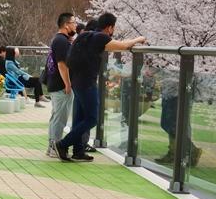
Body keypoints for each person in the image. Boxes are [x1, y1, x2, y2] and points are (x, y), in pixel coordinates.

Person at [55, 12, 146, 162]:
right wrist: (138, 39)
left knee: (80, 118)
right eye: (113, 28)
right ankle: (63, 144)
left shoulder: (86, 35)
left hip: (77, 81)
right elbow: (123, 46)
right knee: (92, 118)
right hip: (87, 83)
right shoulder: (101, 38)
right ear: (110, 28)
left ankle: (78, 151)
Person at [45, 13, 77, 156]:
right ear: (66, 25)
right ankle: (55, 147)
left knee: (56, 116)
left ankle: (52, 145)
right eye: (73, 22)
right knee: (60, 118)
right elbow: (62, 65)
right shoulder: (62, 41)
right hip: (60, 86)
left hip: (56, 84)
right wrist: (68, 84)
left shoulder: (58, 40)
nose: (75, 25)